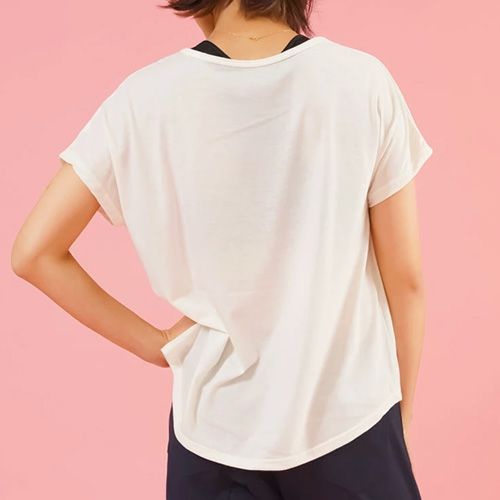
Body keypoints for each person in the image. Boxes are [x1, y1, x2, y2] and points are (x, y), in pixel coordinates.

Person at [11, 0, 433, 498]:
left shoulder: (143, 99)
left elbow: (33, 252)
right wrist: (399, 422)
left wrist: (153, 343)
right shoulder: (361, 81)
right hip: (352, 422)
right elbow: (405, 280)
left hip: (214, 433)